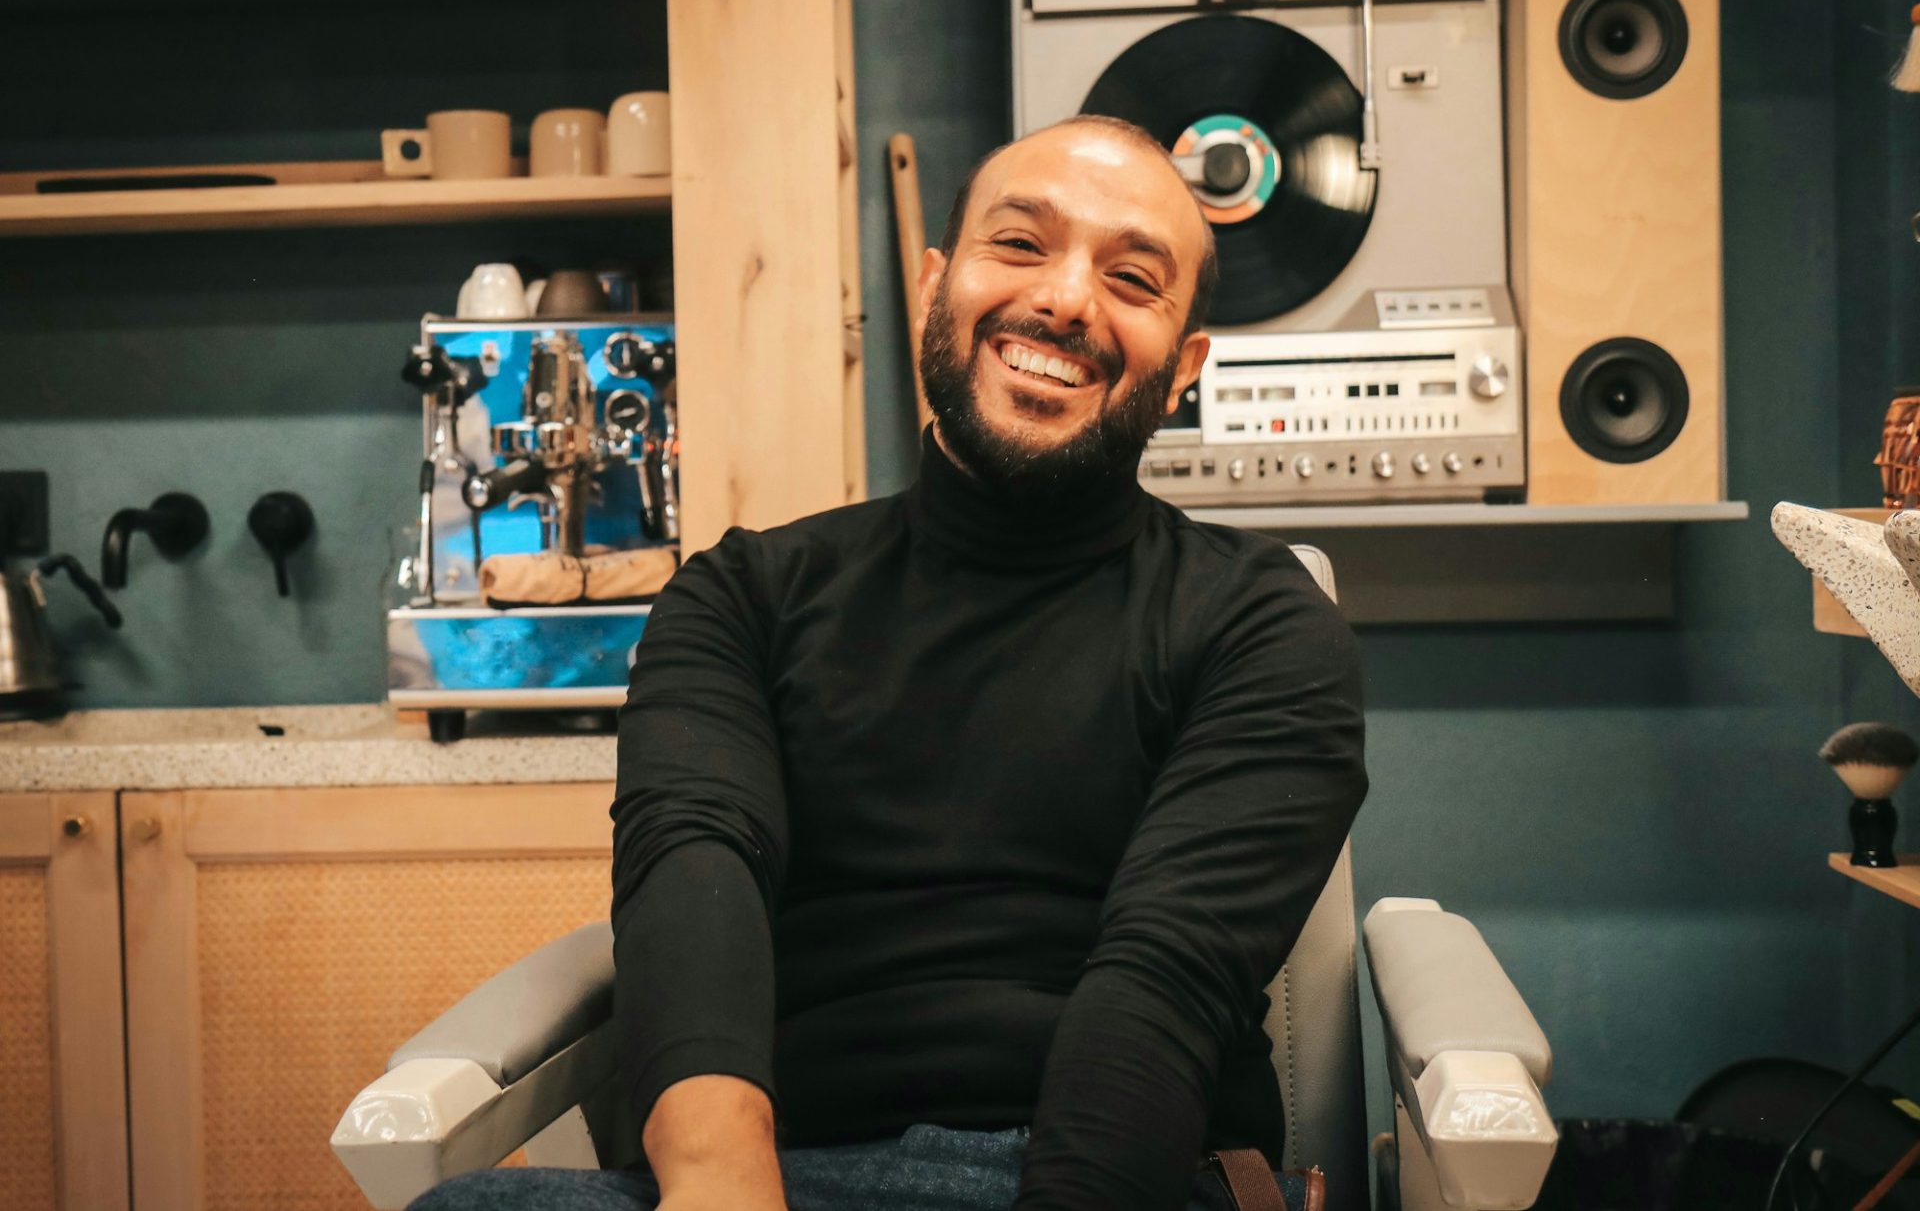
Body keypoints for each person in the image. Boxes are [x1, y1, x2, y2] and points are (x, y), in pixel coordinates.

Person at [414, 116, 1367, 1211]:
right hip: (776, 1176)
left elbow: (1172, 975)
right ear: (932, 286)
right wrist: (726, 1191)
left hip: (1121, 1179)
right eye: (1019, 245)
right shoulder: (743, 598)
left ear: (1184, 364)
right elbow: (690, 869)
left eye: (1133, 277)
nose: (1064, 298)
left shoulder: (1261, 623)